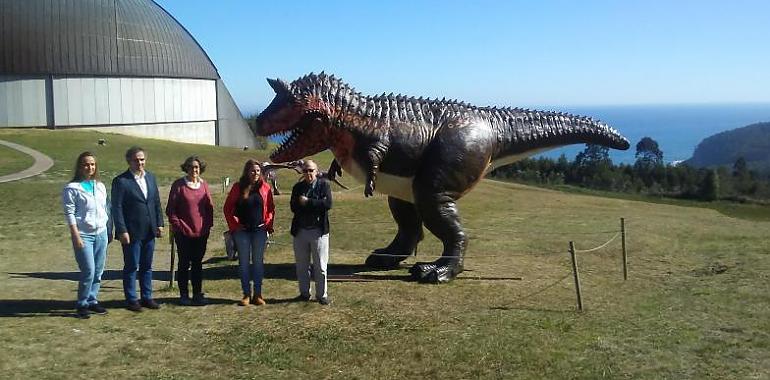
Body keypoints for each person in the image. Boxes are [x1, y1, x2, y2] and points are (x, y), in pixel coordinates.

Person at [111, 146, 164, 312]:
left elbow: (156, 202)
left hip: (150, 230)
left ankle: (147, 297)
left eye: (142, 159)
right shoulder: (121, 181)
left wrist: (160, 224)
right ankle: (132, 299)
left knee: (147, 266)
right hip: (131, 232)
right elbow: (117, 208)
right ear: (129, 161)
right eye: (136, 160)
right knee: (132, 266)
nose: (140, 162)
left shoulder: (151, 178)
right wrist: (121, 230)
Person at [62, 152, 111, 319]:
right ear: (79, 166)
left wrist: (107, 229)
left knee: (98, 271)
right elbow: (69, 213)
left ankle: (92, 299)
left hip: (101, 233)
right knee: (88, 270)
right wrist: (75, 235)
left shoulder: (100, 186)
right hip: (84, 235)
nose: (90, 167)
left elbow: (105, 209)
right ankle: (82, 303)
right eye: (86, 164)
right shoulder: (72, 188)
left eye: (92, 164)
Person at [223, 159, 275, 306]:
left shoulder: (265, 188)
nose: (255, 173)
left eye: (258, 171)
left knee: (258, 263)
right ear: (247, 172)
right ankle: (246, 294)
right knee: (244, 263)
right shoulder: (238, 187)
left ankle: (257, 294)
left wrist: (268, 223)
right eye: (252, 170)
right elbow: (228, 208)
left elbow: (271, 208)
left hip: (259, 231)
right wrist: (235, 225)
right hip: (242, 231)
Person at [166, 156, 214, 306]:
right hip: (183, 234)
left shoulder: (204, 185)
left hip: (201, 233)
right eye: (192, 167)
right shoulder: (179, 185)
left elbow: (209, 208)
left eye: (197, 167)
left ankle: (198, 294)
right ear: (186, 168)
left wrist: (207, 226)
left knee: (197, 264)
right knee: (184, 264)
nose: (194, 170)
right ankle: (184, 295)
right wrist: (179, 227)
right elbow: (171, 210)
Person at [290, 159, 333, 305]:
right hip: (301, 231)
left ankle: (322, 295)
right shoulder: (297, 188)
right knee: (302, 266)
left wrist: (308, 202)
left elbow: (327, 204)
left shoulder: (324, 186)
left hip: (318, 232)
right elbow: (293, 207)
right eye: (305, 170)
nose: (308, 173)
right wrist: (315, 204)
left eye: (311, 170)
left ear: (317, 171)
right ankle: (304, 293)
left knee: (320, 266)